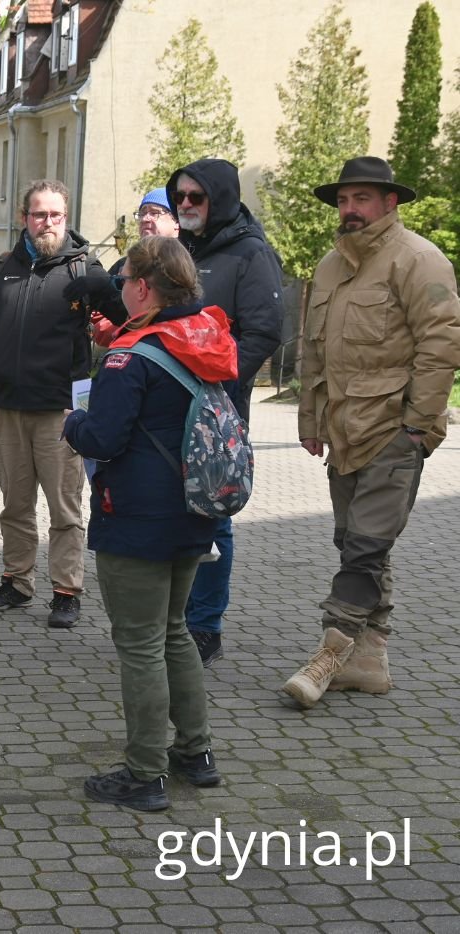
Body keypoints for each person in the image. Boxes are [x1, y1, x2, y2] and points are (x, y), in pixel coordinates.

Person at [63, 236, 233, 810]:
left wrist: (72, 424)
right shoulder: (206, 337)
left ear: (144, 285)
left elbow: (103, 437)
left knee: (139, 644)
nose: (120, 287)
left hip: (135, 515)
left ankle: (144, 773)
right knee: (174, 630)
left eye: (124, 279)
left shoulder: (128, 355)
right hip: (194, 508)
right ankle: (196, 753)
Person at [284, 156, 460, 709]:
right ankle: (371, 662)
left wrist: (416, 427)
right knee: (354, 542)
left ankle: (330, 652)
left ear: (390, 203)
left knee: (364, 547)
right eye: (343, 200)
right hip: (343, 433)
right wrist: (311, 422)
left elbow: (442, 344)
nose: (350, 210)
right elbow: (313, 354)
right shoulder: (331, 266)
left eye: (361, 199)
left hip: (394, 431)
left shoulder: (419, 260)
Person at [0, 179, 101, 628]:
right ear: (25, 217)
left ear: (66, 218)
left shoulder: (85, 269)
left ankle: (66, 590)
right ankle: (17, 581)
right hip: (8, 408)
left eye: (56, 215)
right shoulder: (4, 266)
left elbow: (116, 326)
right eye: (39, 214)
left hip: (60, 411)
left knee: (65, 508)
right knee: (15, 504)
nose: (47, 223)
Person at [167, 160, 284, 667]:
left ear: (220, 198)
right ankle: (172, 619)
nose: (186, 205)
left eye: (197, 197)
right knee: (170, 511)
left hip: (216, 410)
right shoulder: (178, 251)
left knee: (213, 516)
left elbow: (263, 332)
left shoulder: (250, 252)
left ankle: (205, 624)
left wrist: (215, 381)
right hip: (164, 406)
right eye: (181, 196)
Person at [68, 188, 180, 347]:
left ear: (176, 222)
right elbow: (100, 319)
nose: (145, 219)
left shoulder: (190, 266)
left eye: (155, 213)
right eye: (142, 213)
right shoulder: (124, 265)